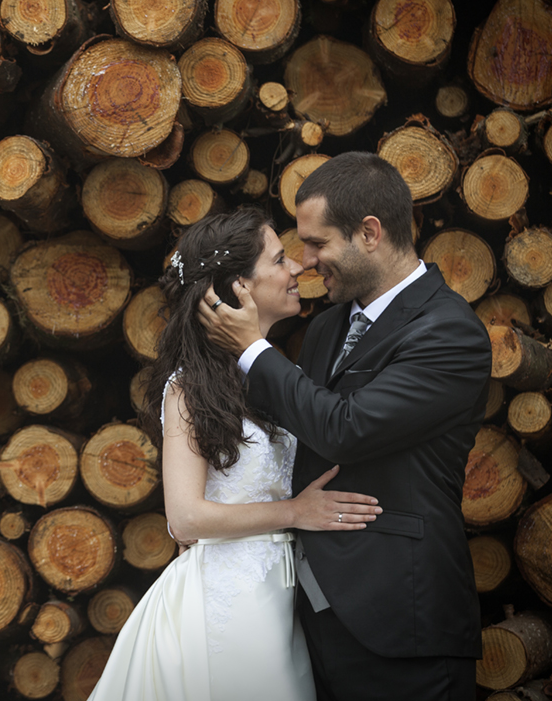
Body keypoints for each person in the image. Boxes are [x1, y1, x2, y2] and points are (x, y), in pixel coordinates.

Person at [197, 152, 491, 701]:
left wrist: (253, 351)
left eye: (317, 242)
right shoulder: (330, 325)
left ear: (370, 233)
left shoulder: (450, 333)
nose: (306, 262)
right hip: (308, 619)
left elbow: (345, 430)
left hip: (402, 621)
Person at [87, 208, 382, 701]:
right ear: (237, 288)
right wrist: (294, 513)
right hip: (223, 604)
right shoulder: (189, 387)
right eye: (279, 259)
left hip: (277, 600)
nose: (297, 270)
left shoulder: (276, 374)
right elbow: (184, 518)